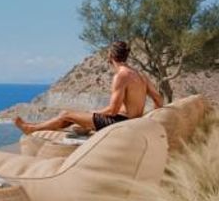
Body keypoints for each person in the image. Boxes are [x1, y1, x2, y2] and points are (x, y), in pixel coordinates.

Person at [14, 41, 163, 135]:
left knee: (66, 114)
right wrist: (146, 118)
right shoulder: (141, 75)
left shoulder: (121, 76)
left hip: (120, 122)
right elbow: (158, 100)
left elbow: (113, 110)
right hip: (131, 120)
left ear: (110, 56)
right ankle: (35, 126)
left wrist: (92, 112)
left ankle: (31, 129)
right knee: (73, 117)